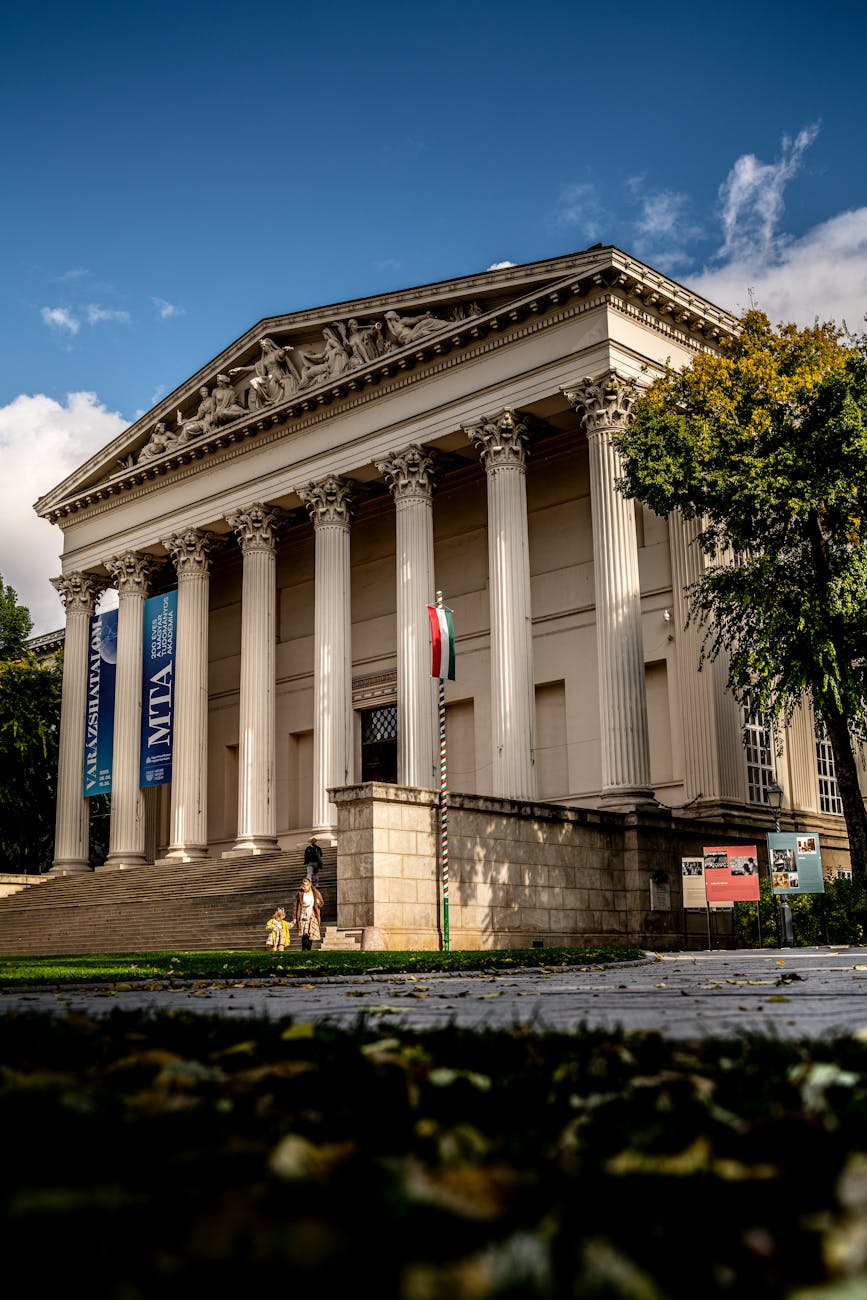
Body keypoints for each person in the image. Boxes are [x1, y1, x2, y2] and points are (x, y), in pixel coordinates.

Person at [293, 878, 323, 951]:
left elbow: (321, 903)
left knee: (310, 934)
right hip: (303, 914)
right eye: (303, 885)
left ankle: (309, 950)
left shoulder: (315, 893)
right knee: (304, 934)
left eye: (306, 885)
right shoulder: (300, 894)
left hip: (312, 915)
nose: (304, 887)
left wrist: (318, 903)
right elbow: (295, 906)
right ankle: (304, 949)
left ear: (309, 885)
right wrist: (294, 917)